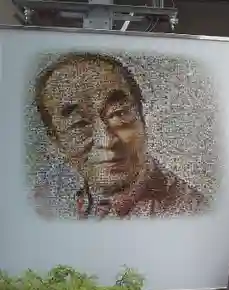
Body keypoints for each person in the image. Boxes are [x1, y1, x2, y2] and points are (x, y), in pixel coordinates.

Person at [34, 52, 208, 219]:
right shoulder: (44, 203)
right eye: (79, 124)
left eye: (118, 114)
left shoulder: (190, 213)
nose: (107, 140)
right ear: (56, 143)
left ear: (143, 119)